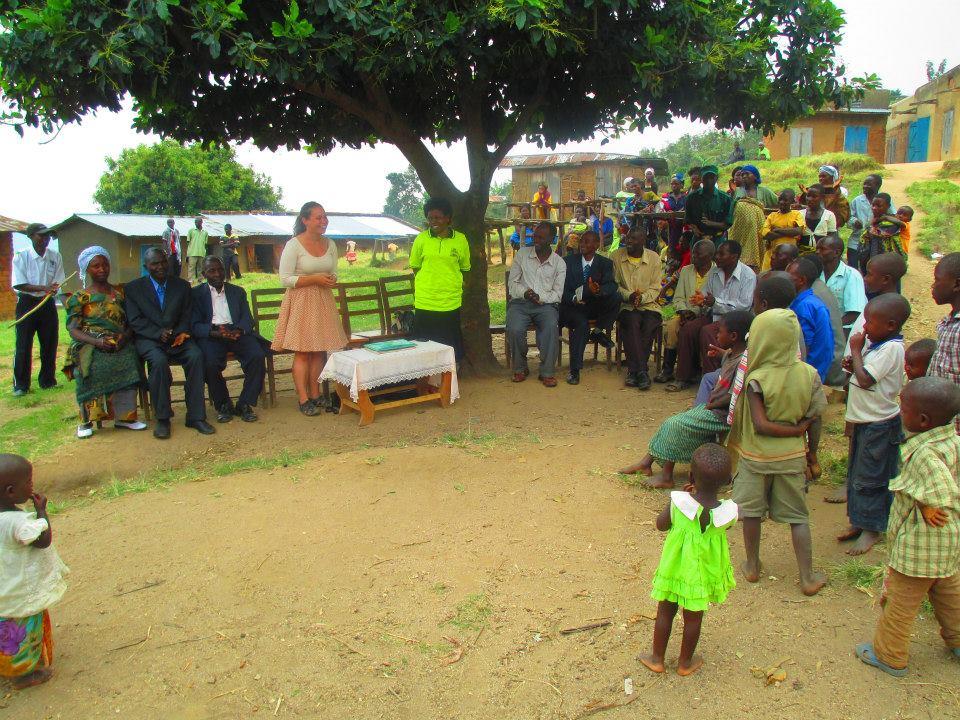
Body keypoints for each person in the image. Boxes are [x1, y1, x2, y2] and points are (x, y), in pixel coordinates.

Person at [855, 377, 960, 677]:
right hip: (948, 539)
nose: (900, 412)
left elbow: (941, 490)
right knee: (948, 591)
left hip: (920, 543)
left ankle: (889, 654)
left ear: (923, 420)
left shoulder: (924, 453)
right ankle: (957, 639)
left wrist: (928, 503)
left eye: (904, 408)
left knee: (901, 601)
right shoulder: (950, 438)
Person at [728, 309, 828, 596]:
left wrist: (794, 431)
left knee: (750, 514)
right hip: (792, 458)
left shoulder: (756, 378)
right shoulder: (809, 375)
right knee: (798, 517)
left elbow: (760, 425)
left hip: (755, 458)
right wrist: (809, 449)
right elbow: (816, 419)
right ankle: (807, 577)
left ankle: (752, 565)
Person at [620, 311, 752, 488]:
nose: (717, 334)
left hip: (720, 414)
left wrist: (711, 404)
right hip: (713, 408)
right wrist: (720, 353)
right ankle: (646, 463)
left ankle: (666, 477)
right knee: (670, 422)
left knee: (674, 425)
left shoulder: (742, 363)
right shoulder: (733, 354)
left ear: (733, 336)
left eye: (720, 332)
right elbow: (727, 358)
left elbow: (735, 396)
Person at [639, 444, 738, 677]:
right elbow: (723, 521)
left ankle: (657, 659)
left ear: (691, 476)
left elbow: (661, 525)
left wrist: (688, 495)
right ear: (726, 482)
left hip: (675, 569)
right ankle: (685, 663)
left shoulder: (679, 503)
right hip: (703, 573)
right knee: (694, 618)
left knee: (665, 611)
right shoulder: (729, 512)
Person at [840, 294, 910, 556]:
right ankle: (859, 521)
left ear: (891, 325)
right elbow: (861, 373)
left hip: (880, 424)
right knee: (857, 473)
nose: (864, 328)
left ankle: (872, 527)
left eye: (869, 323)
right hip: (865, 421)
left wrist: (856, 351)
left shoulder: (892, 348)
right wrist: (852, 363)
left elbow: (867, 379)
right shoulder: (878, 345)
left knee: (872, 476)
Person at [125, 248, 213, 439]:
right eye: (154, 263)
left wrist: (179, 332)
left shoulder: (181, 286)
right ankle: (163, 418)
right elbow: (135, 320)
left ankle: (196, 416)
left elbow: (187, 314)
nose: (160, 267)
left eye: (163, 261)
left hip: (177, 338)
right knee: (158, 362)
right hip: (150, 340)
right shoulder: (133, 289)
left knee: (196, 356)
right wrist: (158, 333)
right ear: (145, 266)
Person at [64, 247, 147, 439]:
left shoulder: (120, 293)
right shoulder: (79, 298)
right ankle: (86, 420)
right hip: (90, 342)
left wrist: (123, 338)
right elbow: (73, 329)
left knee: (129, 360)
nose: (102, 269)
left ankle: (125, 418)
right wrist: (98, 342)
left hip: (119, 340)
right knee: (91, 366)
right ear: (87, 269)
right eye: (96, 266)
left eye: (105, 264)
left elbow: (131, 322)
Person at [274, 202, 348, 416]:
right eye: (318, 217)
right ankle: (303, 398)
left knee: (319, 350)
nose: (323, 221)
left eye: (325, 217)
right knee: (303, 351)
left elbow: (334, 272)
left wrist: (331, 279)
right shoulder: (294, 245)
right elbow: (285, 279)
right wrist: (313, 279)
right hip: (301, 300)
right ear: (305, 220)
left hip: (323, 299)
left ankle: (315, 395)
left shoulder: (330, 244)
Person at [0, 455, 68, 689]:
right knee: (20, 631)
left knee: (5, 629)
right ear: (10, 491)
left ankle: (6, 664)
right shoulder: (18, 523)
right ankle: (22, 674)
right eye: (28, 482)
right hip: (19, 590)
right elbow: (42, 541)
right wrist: (41, 512)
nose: (31, 486)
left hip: (4, 588)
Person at [191, 256, 269, 423]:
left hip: (235, 331)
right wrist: (214, 333)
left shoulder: (237, 292)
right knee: (209, 363)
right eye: (212, 271)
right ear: (204, 274)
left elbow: (248, 318)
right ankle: (224, 404)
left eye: (220, 269)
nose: (218, 274)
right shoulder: (195, 295)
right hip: (212, 334)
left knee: (256, 355)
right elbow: (194, 325)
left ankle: (245, 403)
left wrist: (239, 330)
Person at [669, 241, 756, 392]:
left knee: (707, 331)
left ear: (734, 257)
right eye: (717, 253)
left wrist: (715, 302)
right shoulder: (715, 273)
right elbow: (705, 294)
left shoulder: (748, 275)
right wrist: (700, 300)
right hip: (713, 315)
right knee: (688, 328)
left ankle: (712, 379)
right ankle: (683, 377)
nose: (717, 257)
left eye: (722, 254)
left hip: (735, 320)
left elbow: (744, 306)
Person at [408, 198, 471, 361]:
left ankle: (447, 384)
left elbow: (464, 268)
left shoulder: (460, 239)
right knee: (423, 348)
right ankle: (425, 383)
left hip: (450, 302)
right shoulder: (421, 239)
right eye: (430, 218)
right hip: (425, 301)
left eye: (438, 217)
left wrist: (449, 283)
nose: (433, 222)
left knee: (448, 347)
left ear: (448, 218)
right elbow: (415, 266)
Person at [507, 222, 566, 387]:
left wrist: (540, 298)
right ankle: (520, 368)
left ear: (552, 239)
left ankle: (547, 372)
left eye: (541, 237)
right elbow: (513, 284)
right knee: (514, 328)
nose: (536, 240)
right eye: (535, 236)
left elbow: (557, 294)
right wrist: (526, 293)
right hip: (520, 303)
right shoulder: (522, 255)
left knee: (550, 326)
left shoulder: (559, 263)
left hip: (546, 306)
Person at [11, 223, 64, 398]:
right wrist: (44, 287)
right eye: (41, 236)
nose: (45, 239)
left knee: (49, 343)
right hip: (27, 302)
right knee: (23, 344)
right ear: (31, 236)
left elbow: (58, 282)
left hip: (47, 303)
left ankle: (48, 380)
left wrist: (52, 290)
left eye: (47, 236)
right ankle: (21, 385)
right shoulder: (21, 256)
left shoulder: (55, 256)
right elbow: (19, 283)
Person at [560, 230, 618, 385]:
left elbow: (611, 285)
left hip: (594, 305)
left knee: (616, 297)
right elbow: (560, 288)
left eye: (587, 241)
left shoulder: (605, 263)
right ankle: (575, 370)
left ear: (597, 245)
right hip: (573, 307)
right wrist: (574, 297)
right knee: (581, 325)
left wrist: (599, 291)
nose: (582, 244)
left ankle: (598, 330)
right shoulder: (568, 262)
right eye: (582, 241)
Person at [655, 240, 715, 384]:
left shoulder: (716, 273)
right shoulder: (686, 270)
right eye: (693, 252)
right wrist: (683, 311)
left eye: (698, 254)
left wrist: (694, 313)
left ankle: (691, 370)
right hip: (684, 312)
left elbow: (713, 302)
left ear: (709, 256)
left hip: (703, 315)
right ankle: (668, 369)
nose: (693, 256)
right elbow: (679, 297)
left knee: (691, 330)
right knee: (671, 326)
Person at [611, 228, 663, 390]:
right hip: (626, 305)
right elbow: (614, 285)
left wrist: (642, 298)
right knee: (631, 321)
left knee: (648, 325)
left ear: (643, 242)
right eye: (627, 238)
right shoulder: (616, 256)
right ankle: (642, 371)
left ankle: (634, 371)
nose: (629, 242)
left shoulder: (654, 258)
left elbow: (656, 287)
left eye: (634, 239)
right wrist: (629, 296)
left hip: (649, 304)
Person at [786, 258, 835, 383]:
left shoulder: (805, 306)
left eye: (789, 277)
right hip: (816, 370)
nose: (785, 280)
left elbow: (803, 347)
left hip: (809, 373)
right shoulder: (810, 301)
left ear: (802, 280)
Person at [927, 252, 960, 431]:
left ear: (957, 284)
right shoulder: (949, 322)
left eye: (937, 280)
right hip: (942, 423)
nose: (933, 286)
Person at [817, 234, 867, 336]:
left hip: (845, 330)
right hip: (821, 330)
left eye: (822, 249)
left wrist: (829, 328)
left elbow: (854, 313)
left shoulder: (852, 276)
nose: (817, 252)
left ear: (837, 252)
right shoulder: (816, 273)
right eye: (817, 249)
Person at [859, 193, 906, 277]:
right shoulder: (874, 220)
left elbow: (872, 232)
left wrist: (882, 219)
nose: (874, 208)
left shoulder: (891, 224)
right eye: (873, 205)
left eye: (878, 206)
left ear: (888, 206)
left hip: (887, 263)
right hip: (871, 260)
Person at [847, 174, 887, 270]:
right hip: (856, 241)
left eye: (869, 184)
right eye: (864, 184)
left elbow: (893, 216)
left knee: (871, 270)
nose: (865, 186)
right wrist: (854, 222)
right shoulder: (857, 201)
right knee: (853, 268)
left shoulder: (884, 200)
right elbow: (848, 218)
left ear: (878, 186)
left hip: (876, 243)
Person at [684, 165, 733, 241]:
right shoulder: (691, 198)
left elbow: (727, 224)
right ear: (701, 179)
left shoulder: (725, 198)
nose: (708, 180)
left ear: (716, 178)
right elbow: (688, 219)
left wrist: (711, 223)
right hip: (698, 239)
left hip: (718, 240)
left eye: (711, 177)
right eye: (705, 177)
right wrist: (694, 228)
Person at [759, 189, 804, 270]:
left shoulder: (797, 214)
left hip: (789, 258)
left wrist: (777, 230)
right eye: (780, 199)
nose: (782, 202)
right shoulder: (772, 216)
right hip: (772, 257)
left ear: (792, 201)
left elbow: (798, 231)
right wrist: (789, 232)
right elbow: (766, 235)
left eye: (785, 200)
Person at [798, 184, 837, 254]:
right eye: (808, 196)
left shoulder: (829, 215)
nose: (810, 199)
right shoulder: (799, 214)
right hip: (802, 254)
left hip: (822, 255)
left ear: (822, 197)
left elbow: (832, 237)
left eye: (814, 196)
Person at [185, 217, 209, 284]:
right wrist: (188, 254)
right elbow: (188, 243)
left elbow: (205, 244)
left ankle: (200, 280)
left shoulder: (205, 232)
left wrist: (205, 253)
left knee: (200, 268)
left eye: (197, 222)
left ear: (201, 222)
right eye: (195, 222)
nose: (196, 223)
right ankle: (191, 281)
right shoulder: (191, 231)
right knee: (191, 267)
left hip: (201, 253)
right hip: (192, 253)